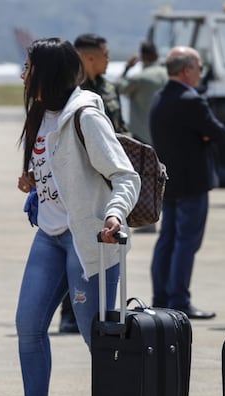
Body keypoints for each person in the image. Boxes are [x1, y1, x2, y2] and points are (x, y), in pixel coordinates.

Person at [0, 37, 140, 396]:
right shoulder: (41, 112)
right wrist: (36, 183)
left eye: (28, 66)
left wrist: (114, 214)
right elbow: (61, 169)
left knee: (98, 336)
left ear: (47, 72)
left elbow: (126, 176)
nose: (22, 73)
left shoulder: (85, 116)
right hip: (50, 236)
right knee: (29, 325)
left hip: (88, 237)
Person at [56, 33, 130, 334]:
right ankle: (71, 313)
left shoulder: (106, 87)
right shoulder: (73, 96)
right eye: (105, 54)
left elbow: (118, 127)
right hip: (83, 185)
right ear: (88, 58)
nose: (109, 59)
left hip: (108, 181)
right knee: (76, 254)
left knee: (98, 258)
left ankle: (87, 317)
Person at [149, 46, 225, 319]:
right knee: (186, 242)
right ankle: (179, 299)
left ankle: (161, 297)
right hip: (192, 183)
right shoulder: (191, 100)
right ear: (186, 70)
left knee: (167, 240)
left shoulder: (159, 97)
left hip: (168, 183)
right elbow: (217, 132)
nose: (200, 73)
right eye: (199, 67)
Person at [115, 40, 168, 145]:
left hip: (142, 135)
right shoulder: (169, 75)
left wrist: (127, 68)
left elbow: (117, 89)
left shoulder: (139, 78)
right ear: (157, 55)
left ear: (142, 57)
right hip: (164, 134)